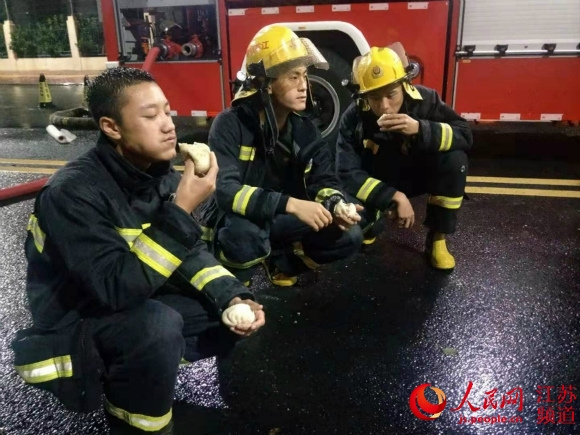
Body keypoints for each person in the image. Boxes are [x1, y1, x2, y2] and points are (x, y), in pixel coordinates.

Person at [11, 67, 265, 434]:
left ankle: (143, 372)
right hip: (71, 326)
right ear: (111, 127)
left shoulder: (157, 175)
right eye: (150, 116)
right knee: (157, 327)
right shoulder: (72, 192)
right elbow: (116, 288)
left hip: (124, 299)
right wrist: (182, 211)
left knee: (220, 314)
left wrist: (234, 297)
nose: (168, 125)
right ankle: (137, 421)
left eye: (167, 111)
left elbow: (189, 254)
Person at [200, 25, 363, 287]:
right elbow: (226, 192)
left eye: (304, 76)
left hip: (279, 216)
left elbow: (323, 179)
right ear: (265, 84)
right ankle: (234, 288)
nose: (304, 86)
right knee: (244, 235)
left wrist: (336, 203)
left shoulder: (306, 128)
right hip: (241, 220)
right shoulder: (230, 124)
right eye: (293, 77)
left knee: (350, 234)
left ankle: (282, 262)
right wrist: (292, 205)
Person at [337, 46, 473, 270]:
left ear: (405, 85)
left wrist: (421, 129)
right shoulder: (354, 116)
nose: (384, 106)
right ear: (364, 96)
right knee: (352, 228)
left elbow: (465, 134)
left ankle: (437, 239)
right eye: (374, 97)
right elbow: (345, 171)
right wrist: (392, 197)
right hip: (380, 180)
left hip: (417, 176)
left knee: (455, 160)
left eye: (391, 95)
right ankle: (374, 221)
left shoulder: (426, 100)